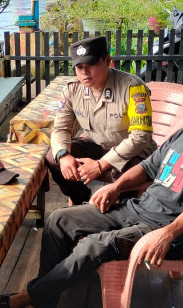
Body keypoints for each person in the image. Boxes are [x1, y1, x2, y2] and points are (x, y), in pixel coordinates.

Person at [0, 74, 183, 308]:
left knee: (94, 245)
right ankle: (43, 306)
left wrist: (168, 233)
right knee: (60, 219)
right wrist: (116, 188)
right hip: (137, 209)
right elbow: (148, 169)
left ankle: (24, 298)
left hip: (169, 229)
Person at [49, 35, 157, 205]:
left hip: (133, 151)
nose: (84, 73)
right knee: (52, 156)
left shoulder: (132, 87)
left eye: (91, 64)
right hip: (97, 145)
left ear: (107, 60)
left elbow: (140, 136)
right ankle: (80, 199)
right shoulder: (72, 90)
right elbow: (60, 129)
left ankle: (123, 210)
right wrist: (63, 155)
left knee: (130, 171)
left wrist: (100, 165)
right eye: (79, 67)